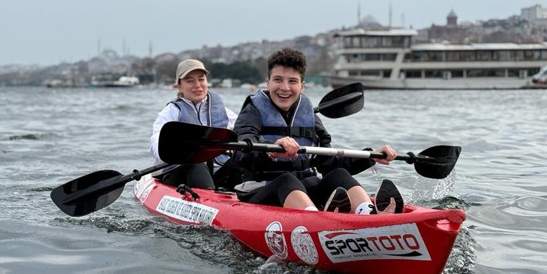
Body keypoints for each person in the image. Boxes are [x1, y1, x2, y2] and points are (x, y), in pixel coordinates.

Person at [233, 47, 399, 214]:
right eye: (278, 80)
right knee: (286, 180)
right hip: (261, 192)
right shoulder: (251, 112)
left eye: (292, 81)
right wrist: (272, 151)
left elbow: (330, 163)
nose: (285, 87)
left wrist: (371, 156)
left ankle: (368, 213)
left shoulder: (309, 116)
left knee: (338, 174)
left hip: (305, 189)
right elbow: (241, 153)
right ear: (267, 82)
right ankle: (315, 220)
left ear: (302, 86)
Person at [150, 59, 238, 189]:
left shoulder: (224, 112)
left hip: (217, 174)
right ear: (179, 86)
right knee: (195, 163)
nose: (197, 85)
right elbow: (156, 145)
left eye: (201, 79)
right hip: (183, 173)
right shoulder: (171, 112)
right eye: (190, 80)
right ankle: (209, 199)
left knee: (238, 162)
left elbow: (242, 132)